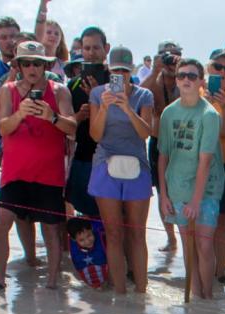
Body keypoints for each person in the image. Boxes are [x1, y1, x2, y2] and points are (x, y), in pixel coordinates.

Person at [0, 40, 75, 291]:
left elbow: (72, 129)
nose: (32, 68)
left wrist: (52, 116)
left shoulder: (59, 91)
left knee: (51, 230)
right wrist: (20, 114)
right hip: (15, 173)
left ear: (45, 65)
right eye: (26, 63)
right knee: (1, 222)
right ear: (18, 65)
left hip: (49, 173)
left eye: (37, 63)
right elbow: (3, 128)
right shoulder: (7, 90)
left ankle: (51, 283)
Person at [88, 44, 155, 295]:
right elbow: (95, 135)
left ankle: (141, 292)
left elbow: (145, 133)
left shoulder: (143, 96)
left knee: (137, 234)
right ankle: (120, 293)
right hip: (106, 163)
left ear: (131, 71)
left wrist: (127, 107)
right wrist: (105, 107)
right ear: (109, 70)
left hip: (137, 165)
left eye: (126, 71)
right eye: (117, 70)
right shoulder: (97, 94)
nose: (122, 76)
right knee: (114, 234)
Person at [157, 57, 225, 300]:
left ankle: (207, 296)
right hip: (176, 187)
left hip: (205, 190)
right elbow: (163, 156)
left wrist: (196, 201)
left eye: (192, 76)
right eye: (181, 75)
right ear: (176, 79)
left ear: (201, 81)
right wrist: (163, 195)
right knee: (188, 247)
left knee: (204, 246)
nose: (186, 80)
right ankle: (196, 297)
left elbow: (205, 161)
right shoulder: (168, 112)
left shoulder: (209, 114)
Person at [141, 40, 181, 253]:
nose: (169, 59)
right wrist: (156, 69)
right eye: (165, 55)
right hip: (158, 142)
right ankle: (170, 237)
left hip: (182, 143)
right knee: (161, 191)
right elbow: (136, 96)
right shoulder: (154, 81)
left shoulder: (185, 78)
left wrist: (181, 68)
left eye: (174, 55)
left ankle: (184, 237)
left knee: (183, 190)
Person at [203, 48, 225, 284]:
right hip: (199, 162)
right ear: (209, 68)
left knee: (223, 218)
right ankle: (200, 268)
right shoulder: (194, 89)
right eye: (218, 67)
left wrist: (223, 106)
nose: (223, 72)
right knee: (200, 216)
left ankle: (220, 272)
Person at [66, 25, 108, 219]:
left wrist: (98, 96)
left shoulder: (116, 81)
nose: (91, 53)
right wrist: (79, 116)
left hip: (110, 158)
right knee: (86, 221)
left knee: (114, 223)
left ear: (106, 49)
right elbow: (66, 125)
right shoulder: (72, 84)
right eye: (87, 48)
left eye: (96, 48)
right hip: (83, 158)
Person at [65, 216, 109, 288]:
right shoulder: (74, 247)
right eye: (82, 240)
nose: (87, 241)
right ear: (74, 239)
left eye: (89, 235)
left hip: (107, 280)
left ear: (92, 230)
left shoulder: (100, 235)